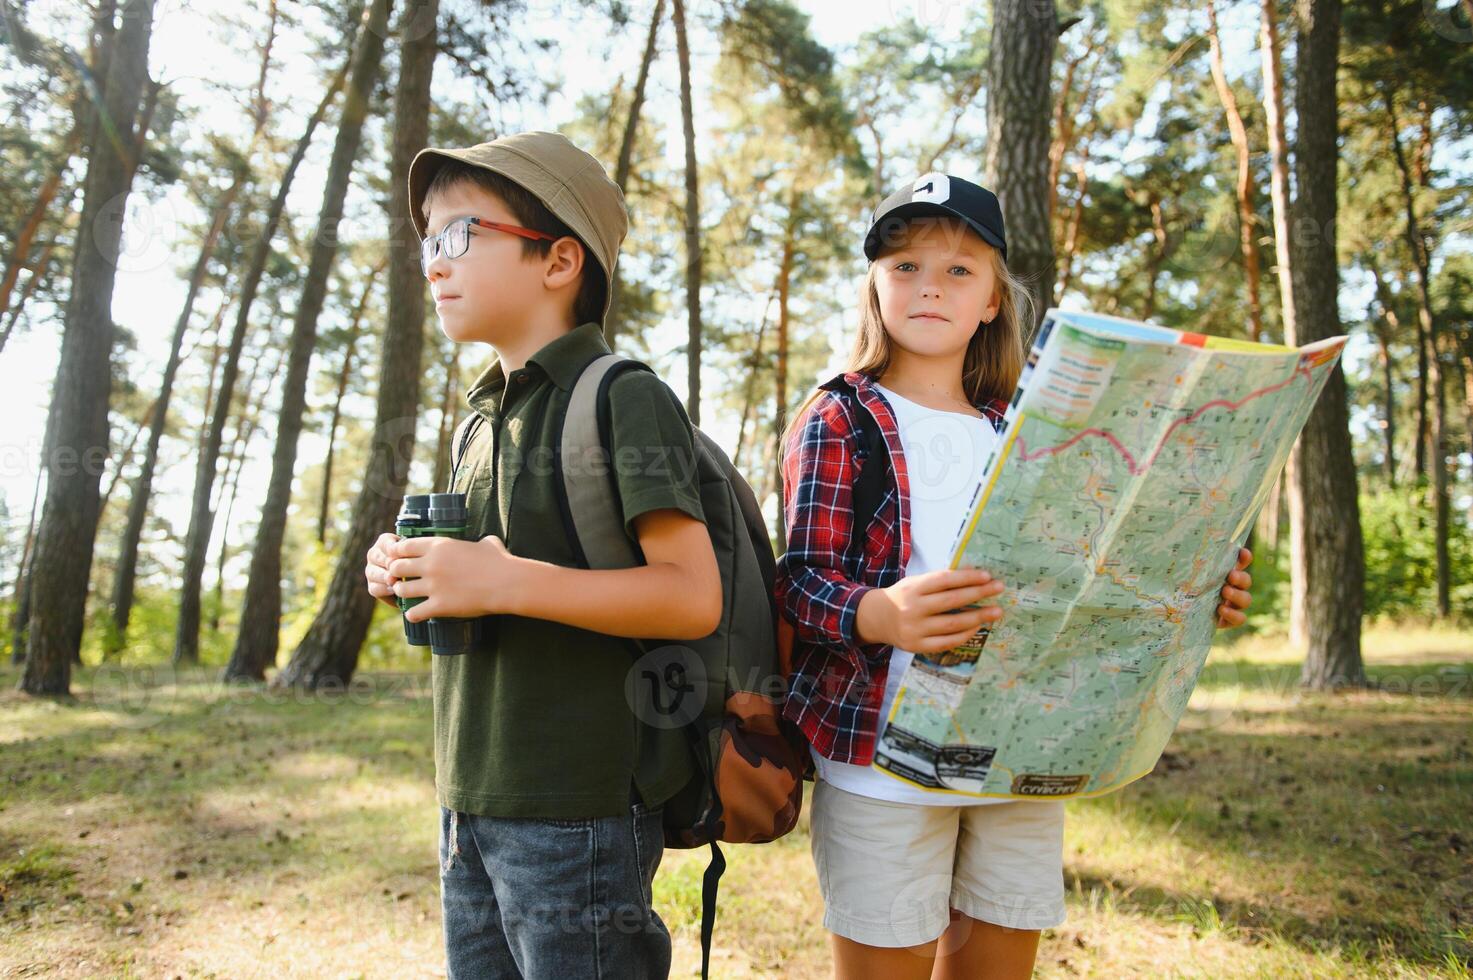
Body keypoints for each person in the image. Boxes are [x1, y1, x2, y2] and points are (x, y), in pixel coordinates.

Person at [776, 173, 1255, 980]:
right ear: (873, 286)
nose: (929, 285)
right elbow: (795, 580)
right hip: (879, 758)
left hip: (1017, 753)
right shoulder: (841, 415)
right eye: (904, 267)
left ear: (994, 299)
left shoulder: (1034, 434)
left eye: (959, 269)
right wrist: (879, 615)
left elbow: (1096, 575)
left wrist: (1198, 586)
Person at [362, 131, 721, 979]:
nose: (433, 263)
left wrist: (504, 580)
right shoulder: (478, 417)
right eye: (427, 244)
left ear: (558, 261)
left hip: (580, 804)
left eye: (458, 235)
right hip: (469, 794)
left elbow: (689, 595)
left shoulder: (623, 398)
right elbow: (485, 580)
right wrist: (409, 574)